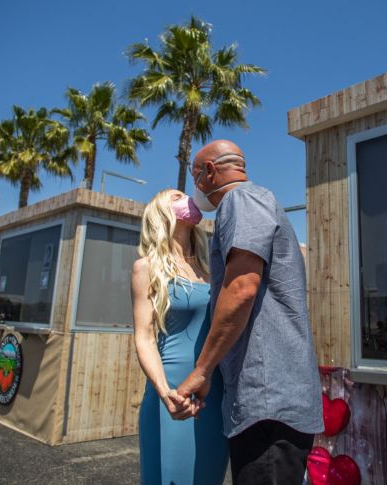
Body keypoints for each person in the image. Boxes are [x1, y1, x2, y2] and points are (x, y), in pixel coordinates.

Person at [176, 140, 323, 484]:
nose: (195, 185)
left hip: (268, 402)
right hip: (269, 403)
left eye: (195, 175)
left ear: (208, 172)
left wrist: (202, 370)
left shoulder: (242, 199)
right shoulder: (255, 202)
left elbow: (241, 288)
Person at [131, 189, 229, 485]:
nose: (188, 198)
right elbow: (144, 337)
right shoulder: (146, 267)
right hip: (172, 393)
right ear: (161, 211)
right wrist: (165, 393)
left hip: (214, 391)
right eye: (177, 196)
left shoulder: (210, 268)